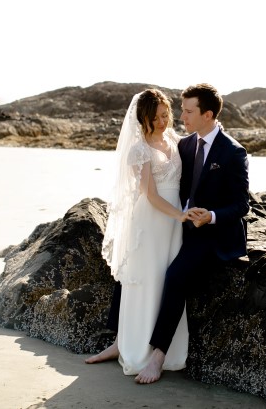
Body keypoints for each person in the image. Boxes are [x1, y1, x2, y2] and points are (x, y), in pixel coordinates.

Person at [87, 83, 250, 385]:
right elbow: (163, 183)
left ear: (208, 114)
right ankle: (120, 341)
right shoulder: (183, 144)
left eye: (187, 111)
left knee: (173, 278)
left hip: (211, 233)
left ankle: (159, 354)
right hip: (174, 222)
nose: (180, 117)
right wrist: (182, 214)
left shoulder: (233, 152)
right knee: (133, 268)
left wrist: (211, 216)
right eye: (181, 111)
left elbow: (242, 205)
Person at [85, 88, 194, 377]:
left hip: (175, 223)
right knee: (146, 280)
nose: (163, 121)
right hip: (153, 219)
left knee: (166, 281)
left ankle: (163, 350)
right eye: (156, 116)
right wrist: (180, 215)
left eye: (166, 114)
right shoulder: (139, 150)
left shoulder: (174, 140)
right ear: (144, 117)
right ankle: (132, 348)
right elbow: (150, 195)